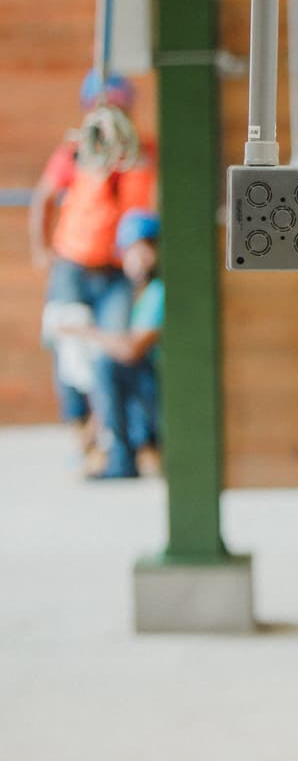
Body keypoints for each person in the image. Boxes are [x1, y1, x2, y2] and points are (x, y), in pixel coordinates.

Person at [28, 71, 156, 463]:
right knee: (67, 343)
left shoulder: (143, 151)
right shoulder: (75, 151)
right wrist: (41, 249)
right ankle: (79, 429)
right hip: (73, 264)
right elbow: (43, 198)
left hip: (115, 271)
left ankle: (110, 434)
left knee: (112, 349)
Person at [55, 209, 164, 479]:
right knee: (105, 364)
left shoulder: (159, 291)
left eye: (143, 250)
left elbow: (130, 350)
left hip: (161, 391)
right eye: (130, 252)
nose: (137, 260)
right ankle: (113, 448)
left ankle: (124, 458)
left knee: (109, 364)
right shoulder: (139, 294)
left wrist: (87, 332)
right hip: (148, 391)